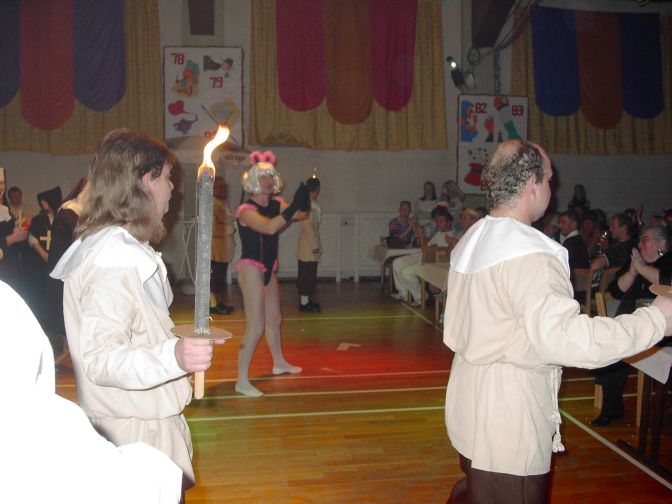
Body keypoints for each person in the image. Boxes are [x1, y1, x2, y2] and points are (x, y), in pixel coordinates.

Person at [443, 140, 672, 504]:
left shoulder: (473, 238)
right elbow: (568, 340)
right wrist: (656, 320)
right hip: (508, 415)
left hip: (469, 403)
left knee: (474, 492)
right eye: (549, 178)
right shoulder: (529, 253)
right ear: (532, 184)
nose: (553, 186)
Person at [51, 129, 218, 497]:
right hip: (133, 440)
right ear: (146, 181)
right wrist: (174, 356)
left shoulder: (115, 247)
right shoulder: (112, 259)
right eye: (167, 177)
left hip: (140, 429)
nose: (173, 189)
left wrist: (172, 343)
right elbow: (102, 359)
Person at [0, 279, 183, 504]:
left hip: (139, 413)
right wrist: (174, 356)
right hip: (132, 419)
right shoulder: (111, 268)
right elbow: (101, 359)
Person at [234, 150, 310, 397]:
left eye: (270, 177)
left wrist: (304, 200)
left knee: (275, 319)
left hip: (268, 268)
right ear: (254, 180)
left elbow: (300, 214)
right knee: (255, 326)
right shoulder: (245, 210)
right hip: (250, 268)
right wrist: (292, 208)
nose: (268, 181)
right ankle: (241, 380)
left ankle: (279, 363)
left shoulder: (277, 204)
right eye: (263, 177)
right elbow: (268, 228)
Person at [591, 225, 672, 427]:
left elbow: (667, 282)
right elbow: (615, 290)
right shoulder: (636, 261)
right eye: (640, 239)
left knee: (622, 345)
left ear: (662, 243)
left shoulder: (669, 261)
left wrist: (643, 269)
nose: (640, 243)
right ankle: (612, 408)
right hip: (631, 322)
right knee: (612, 345)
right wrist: (633, 272)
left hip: (662, 327)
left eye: (646, 239)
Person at [47, 177, 89, 353]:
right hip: (62, 273)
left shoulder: (81, 214)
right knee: (65, 313)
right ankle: (66, 349)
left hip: (73, 272)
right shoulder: (67, 212)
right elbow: (82, 237)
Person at [391, 206, 456, 307]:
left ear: (449, 223)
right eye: (437, 221)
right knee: (396, 263)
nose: (438, 223)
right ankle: (403, 294)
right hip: (422, 256)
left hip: (430, 261)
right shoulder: (439, 233)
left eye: (441, 221)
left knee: (406, 272)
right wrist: (421, 235)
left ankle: (421, 297)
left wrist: (421, 237)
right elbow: (427, 246)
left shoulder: (450, 236)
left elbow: (428, 251)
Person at [23, 186, 62, 331]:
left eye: (45, 200)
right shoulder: (38, 220)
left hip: (56, 264)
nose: (42, 203)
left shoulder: (61, 218)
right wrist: (43, 254)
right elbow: (32, 239)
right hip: (39, 265)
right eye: (41, 201)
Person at [210, 176, 235, 315]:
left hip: (223, 249)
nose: (223, 190)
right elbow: (213, 228)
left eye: (223, 187)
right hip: (216, 249)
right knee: (215, 278)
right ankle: (213, 304)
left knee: (220, 278)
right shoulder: (212, 205)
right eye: (220, 187)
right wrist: (230, 229)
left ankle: (218, 302)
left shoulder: (221, 203)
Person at [0, 167, 29, 290]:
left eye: (3, 183)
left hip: (10, 266)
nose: (2, 188)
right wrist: (12, 238)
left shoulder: (4, 210)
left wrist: (19, 229)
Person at [297, 175, 322, 313]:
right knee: (307, 274)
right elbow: (307, 226)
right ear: (317, 190)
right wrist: (314, 245)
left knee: (309, 274)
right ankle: (304, 303)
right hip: (308, 245)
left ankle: (306, 300)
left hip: (308, 244)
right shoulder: (308, 205)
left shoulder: (310, 204)